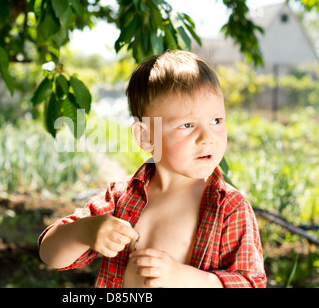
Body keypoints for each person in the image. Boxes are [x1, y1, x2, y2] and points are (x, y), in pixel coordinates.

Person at [38, 50, 267, 288]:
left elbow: (250, 283)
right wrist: (85, 231)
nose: (207, 137)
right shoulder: (121, 198)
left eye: (216, 121)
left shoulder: (228, 207)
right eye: (187, 125)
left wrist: (183, 278)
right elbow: (49, 254)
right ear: (146, 136)